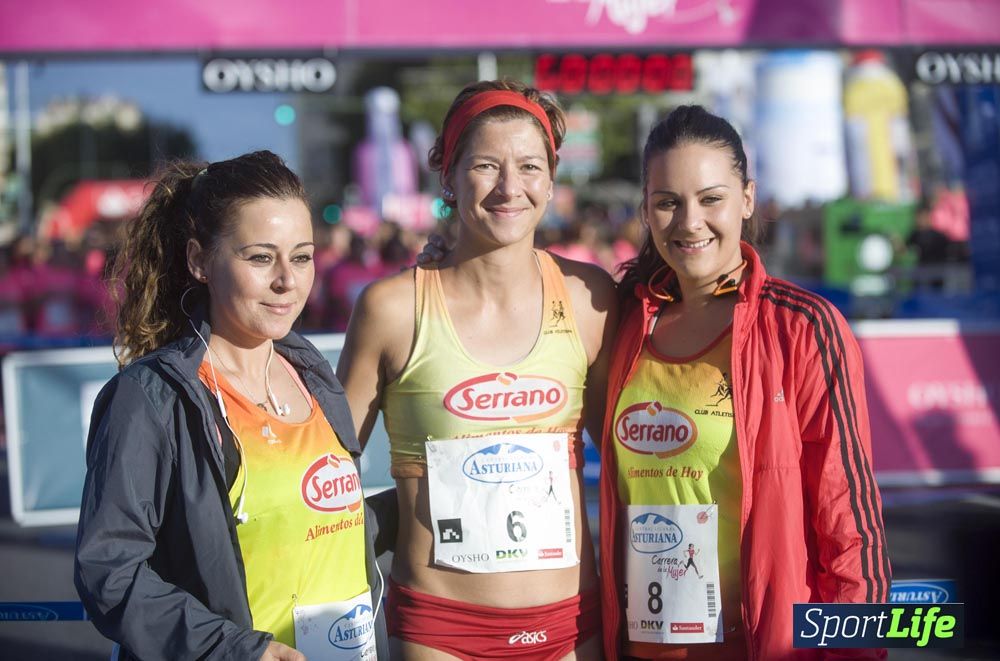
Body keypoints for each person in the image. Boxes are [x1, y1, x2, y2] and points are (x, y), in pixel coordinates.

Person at [337, 80, 617, 659]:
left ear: (552, 177)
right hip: (441, 631)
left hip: (568, 628)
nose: (510, 187)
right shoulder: (391, 309)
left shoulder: (590, 299)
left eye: (530, 167)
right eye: (487, 165)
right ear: (448, 173)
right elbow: (327, 473)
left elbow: (636, 454)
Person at [600, 106, 891, 659]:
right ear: (645, 210)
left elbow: (848, 522)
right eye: (668, 203)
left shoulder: (803, 327)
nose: (689, 222)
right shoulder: (619, 322)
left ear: (747, 199)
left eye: (711, 199)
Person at [74, 151, 389, 661]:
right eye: (261, 258)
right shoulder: (153, 397)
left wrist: (412, 506)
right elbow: (110, 574)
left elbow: (309, 523)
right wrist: (240, 651)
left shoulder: (312, 374)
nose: (287, 280)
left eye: (302, 256)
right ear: (200, 261)